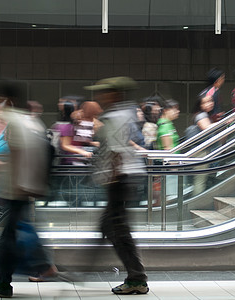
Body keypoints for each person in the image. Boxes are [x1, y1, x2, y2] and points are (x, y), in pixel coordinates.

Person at [0, 82, 56, 298]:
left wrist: (22, 183)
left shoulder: (13, 120)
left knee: (8, 239)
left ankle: (3, 284)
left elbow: (20, 154)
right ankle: (35, 266)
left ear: (6, 99)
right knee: (13, 235)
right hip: (23, 187)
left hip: (15, 188)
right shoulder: (30, 120)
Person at [85, 76, 149, 295]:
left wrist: (111, 179)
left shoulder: (114, 116)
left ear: (114, 94)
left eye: (103, 93)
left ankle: (136, 278)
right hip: (122, 179)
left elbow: (116, 153)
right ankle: (134, 274)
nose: (99, 97)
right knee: (111, 227)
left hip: (119, 180)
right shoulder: (125, 112)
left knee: (118, 229)